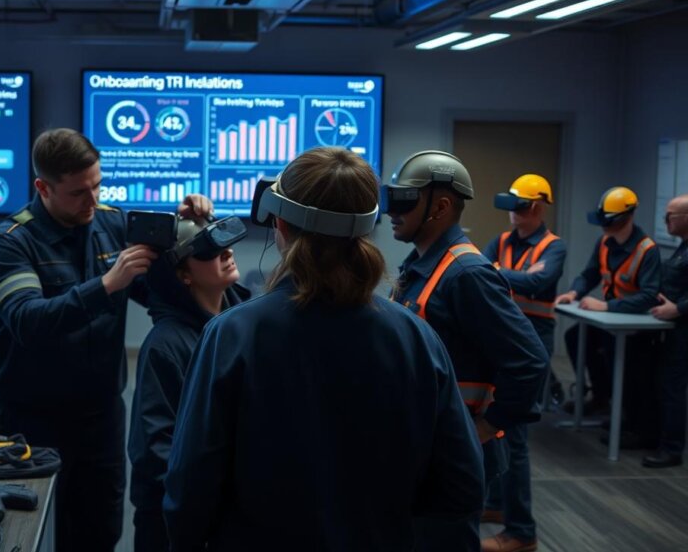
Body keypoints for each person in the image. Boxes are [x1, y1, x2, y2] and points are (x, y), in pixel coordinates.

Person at [163, 147, 484, 550]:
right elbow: (462, 485)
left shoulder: (231, 336)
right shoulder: (416, 339)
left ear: (279, 221)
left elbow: (191, 487)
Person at [0, 128, 213, 551]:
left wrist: (192, 230)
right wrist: (106, 285)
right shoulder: (9, 241)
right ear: (43, 187)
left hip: (100, 416)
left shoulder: (111, 222)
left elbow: (160, 293)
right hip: (29, 420)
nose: (91, 200)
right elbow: (25, 320)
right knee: (24, 532)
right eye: (77, 193)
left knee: (100, 531)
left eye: (97, 186)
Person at [384, 150, 549, 551]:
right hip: (430, 444)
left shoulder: (466, 274)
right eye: (391, 198)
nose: (392, 211)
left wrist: (487, 428)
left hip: (455, 450)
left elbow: (530, 362)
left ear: (440, 206)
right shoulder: (421, 264)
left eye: (403, 200)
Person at [128, 216, 250, 551]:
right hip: (174, 525)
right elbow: (157, 455)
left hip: (230, 520)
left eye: (223, 243)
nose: (226, 253)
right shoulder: (164, 346)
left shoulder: (242, 327)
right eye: (209, 251)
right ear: (183, 274)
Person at [480, 174, 567, 552]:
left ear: (537, 207)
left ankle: (521, 531)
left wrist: (502, 273)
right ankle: (498, 506)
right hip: (502, 341)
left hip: (533, 343)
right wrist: (511, 276)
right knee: (498, 432)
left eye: (521, 206)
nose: (514, 214)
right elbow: (481, 278)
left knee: (515, 437)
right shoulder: (499, 242)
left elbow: (539, 283)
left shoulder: (554, 247)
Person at [556, 187, 661, 449]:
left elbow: (648, 295)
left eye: (610, 221)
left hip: (634, 328)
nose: (605, 226)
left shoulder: (647, 250)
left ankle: (634, 425)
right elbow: (589, 273)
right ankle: (601, 397)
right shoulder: (603, 241)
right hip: (608, 323)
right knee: (575, 337)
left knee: (629, 369)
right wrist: (574, 292)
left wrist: (606, 306)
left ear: (628, 216)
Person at [643, 195, 688, 468]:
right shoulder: (682, 247)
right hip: (673, 329)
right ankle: (654, 436)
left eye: (671, 215)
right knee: (662, 384)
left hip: (683, 328)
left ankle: (672, 449)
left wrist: (679, 309)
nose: (665, 220)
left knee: (673, 388)